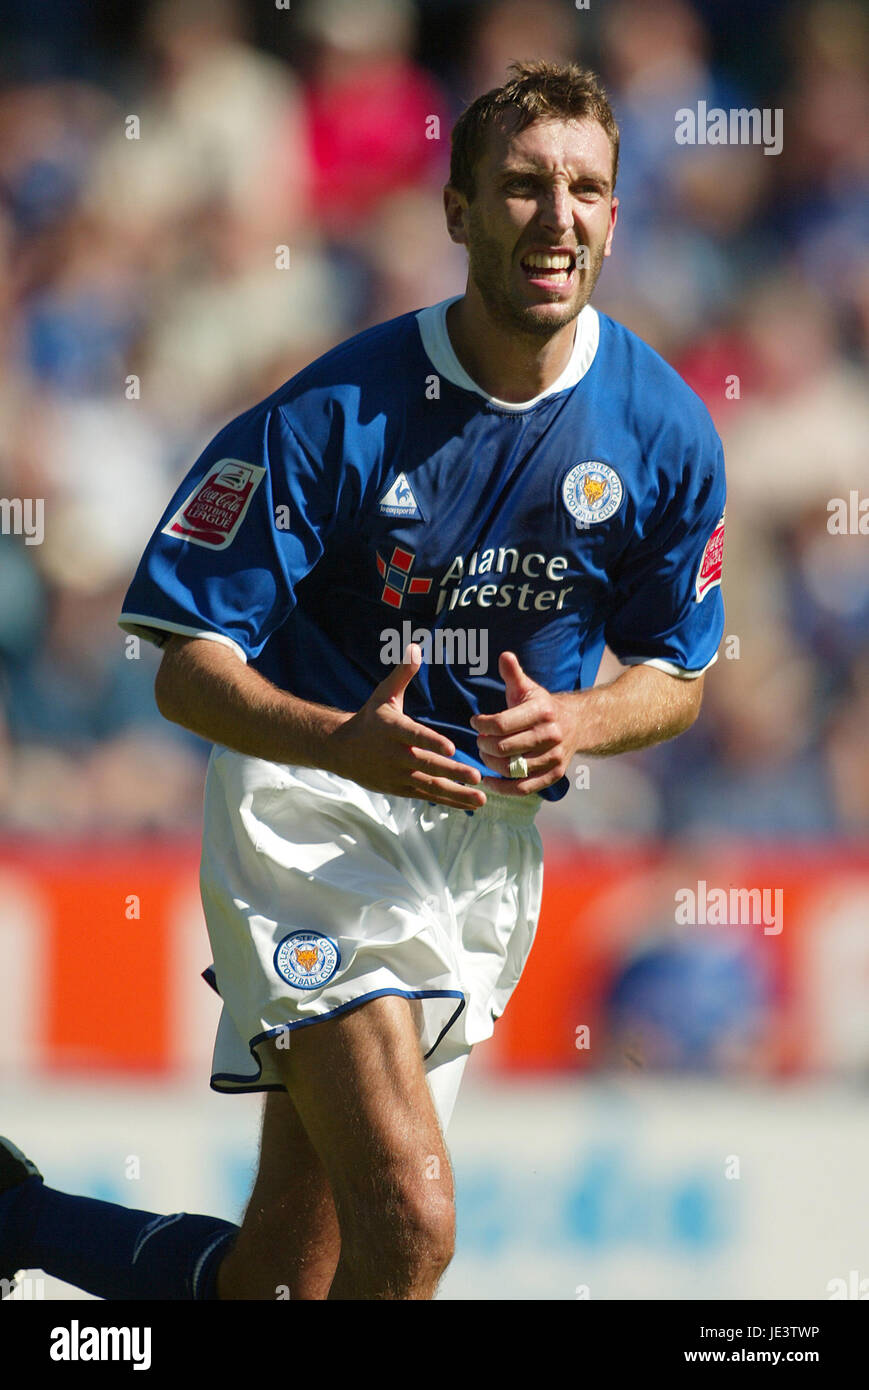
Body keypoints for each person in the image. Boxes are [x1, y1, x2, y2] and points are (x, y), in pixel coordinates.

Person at [0, 60, 725, 1301]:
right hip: (315, 818)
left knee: (288, 1271)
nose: (556, 216)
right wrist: (336, 740)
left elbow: (677, 672)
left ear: (614, 215)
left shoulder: (662, 430)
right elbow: (186, 665)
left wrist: (583, 718)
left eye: (586, 189)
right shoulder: (333, 415)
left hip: (480, 843)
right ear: (455, 211)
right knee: (413, 1227)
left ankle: (23, 1223)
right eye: (519, 186)